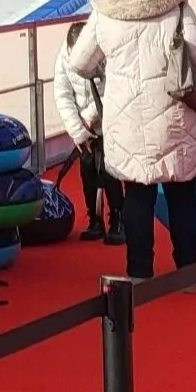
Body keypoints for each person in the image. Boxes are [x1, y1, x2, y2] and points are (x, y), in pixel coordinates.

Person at [60, 0, 196, 287]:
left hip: (126, 120)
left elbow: (78, 63)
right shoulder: (176, 5)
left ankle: (139, 274)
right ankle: (190, 275)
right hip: (174, 114)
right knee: (181, 195)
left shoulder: (104, 13)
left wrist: (112, 68)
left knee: (137, 194)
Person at [58, 20, 123, 244]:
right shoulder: (63, 58)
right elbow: (62, 95)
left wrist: (90, 116)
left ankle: (118, 219)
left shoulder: (104, 54)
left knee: (109, 171)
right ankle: (95, 220)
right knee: (87, 172)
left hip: (107, 120)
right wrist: (77, 130)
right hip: (83, 126)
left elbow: (114, 88)